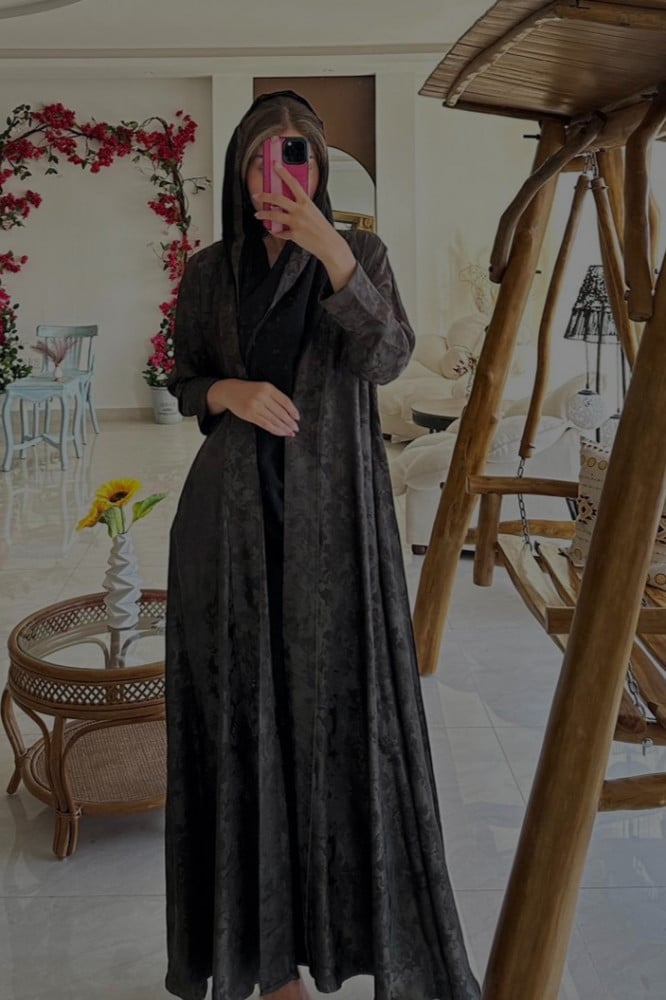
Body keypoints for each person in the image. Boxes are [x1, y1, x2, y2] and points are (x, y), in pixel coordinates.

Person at [165, 91, 480, 1000]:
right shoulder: (209, 271)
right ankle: (268, 972)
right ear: (240, 170)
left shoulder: (359, 257)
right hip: (228, 528)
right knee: (243, 729)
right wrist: (226, 392)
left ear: (319, 167)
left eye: (295, 156)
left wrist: (334, 254)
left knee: (341, 720)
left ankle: (354, 942)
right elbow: (182, 380)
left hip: (336, 526)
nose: (279, 175)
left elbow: (387, 358)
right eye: (261, 159)